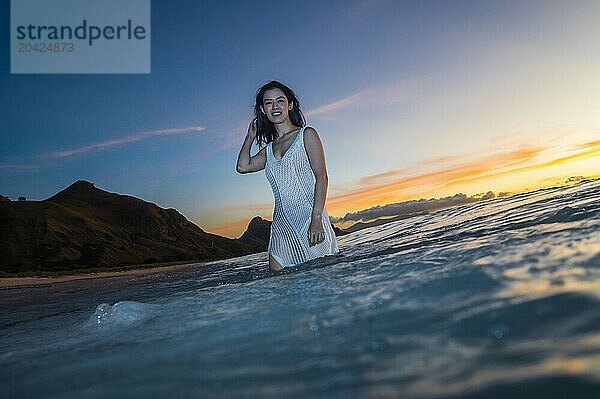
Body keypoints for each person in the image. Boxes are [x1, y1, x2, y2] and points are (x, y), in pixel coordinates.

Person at [236, 80, 339, 271]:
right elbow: (243, 166)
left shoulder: (306, 135)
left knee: (322, 283)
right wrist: (250, 136)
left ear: (289, 104)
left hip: (310, 220)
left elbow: (322, 177)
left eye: (280, 101)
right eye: (268, 103)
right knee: (279, 284)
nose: (275, 107)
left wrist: (316, 218)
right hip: (282, 228)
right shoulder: (268, 150)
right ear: (263, 109)